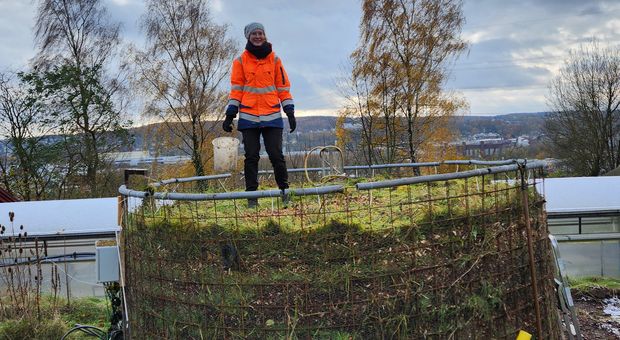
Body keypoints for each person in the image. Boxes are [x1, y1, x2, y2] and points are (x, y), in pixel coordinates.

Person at [222, 22, 296, 208]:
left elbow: (283, 88)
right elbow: (236, 90)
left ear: (265, 35)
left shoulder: (275, 60)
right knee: (251, 157)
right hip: (248, 116)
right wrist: (230, 115)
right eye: (254, 33)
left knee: (276, 155)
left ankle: (284, 192)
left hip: (272, 115)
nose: (257, 36)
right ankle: (252, 198)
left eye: (260, 33)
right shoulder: (239, 61)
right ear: (248, 37)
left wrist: (290, 112)